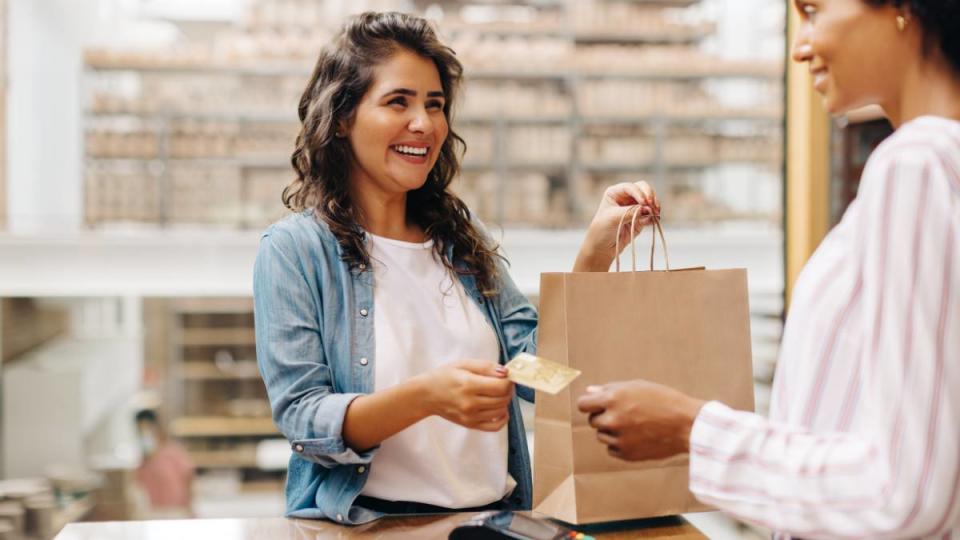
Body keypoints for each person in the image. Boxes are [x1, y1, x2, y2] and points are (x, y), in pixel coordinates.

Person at [253, 11, 660, 524]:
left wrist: (596, 255)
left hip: (494, 523)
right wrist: (427, 396)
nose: (424, 123)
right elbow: (304, 418)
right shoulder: (294, 250)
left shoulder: (460, 239)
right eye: (398, 101)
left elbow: (540, 375)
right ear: (342, 117)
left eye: (435, 104)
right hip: (371, 527)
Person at [577, 0, 960, 537]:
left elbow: (904, 495)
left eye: (812, 10)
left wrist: (691, 427)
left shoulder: (915, 164)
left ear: (899, 9)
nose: (801, 47)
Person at [134, 409, 195, 518]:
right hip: (155, 512)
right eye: (141, 431)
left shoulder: (173, 452)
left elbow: (189, 478)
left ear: (156, 427)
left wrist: (190, 508)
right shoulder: (143, 460)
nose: (145, 434)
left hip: (177, 511)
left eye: (148, 429)